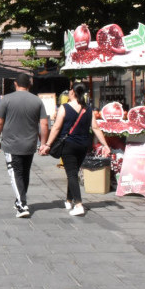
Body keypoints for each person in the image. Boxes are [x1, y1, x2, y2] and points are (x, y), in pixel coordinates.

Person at [40, 83, 111, 217]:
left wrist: (48, 144)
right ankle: (68, 200)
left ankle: (78, 204)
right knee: (73, 172)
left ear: (72, 92)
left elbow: (56, 127)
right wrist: (105, 145)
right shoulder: (88, 109)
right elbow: (95, 128)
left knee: (71, 174)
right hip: (84, 145)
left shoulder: (64, 107)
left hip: (69, 145)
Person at [0, 73, 48, 218]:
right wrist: (43, 143)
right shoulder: (37, 101)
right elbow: (44, 124)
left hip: (11, 144)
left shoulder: (7, 100)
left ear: (16, 84)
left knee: (15, 173)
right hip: (30, 144)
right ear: (29, 85)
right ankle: (20, 200)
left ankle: (22, 205)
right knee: (24, 173)